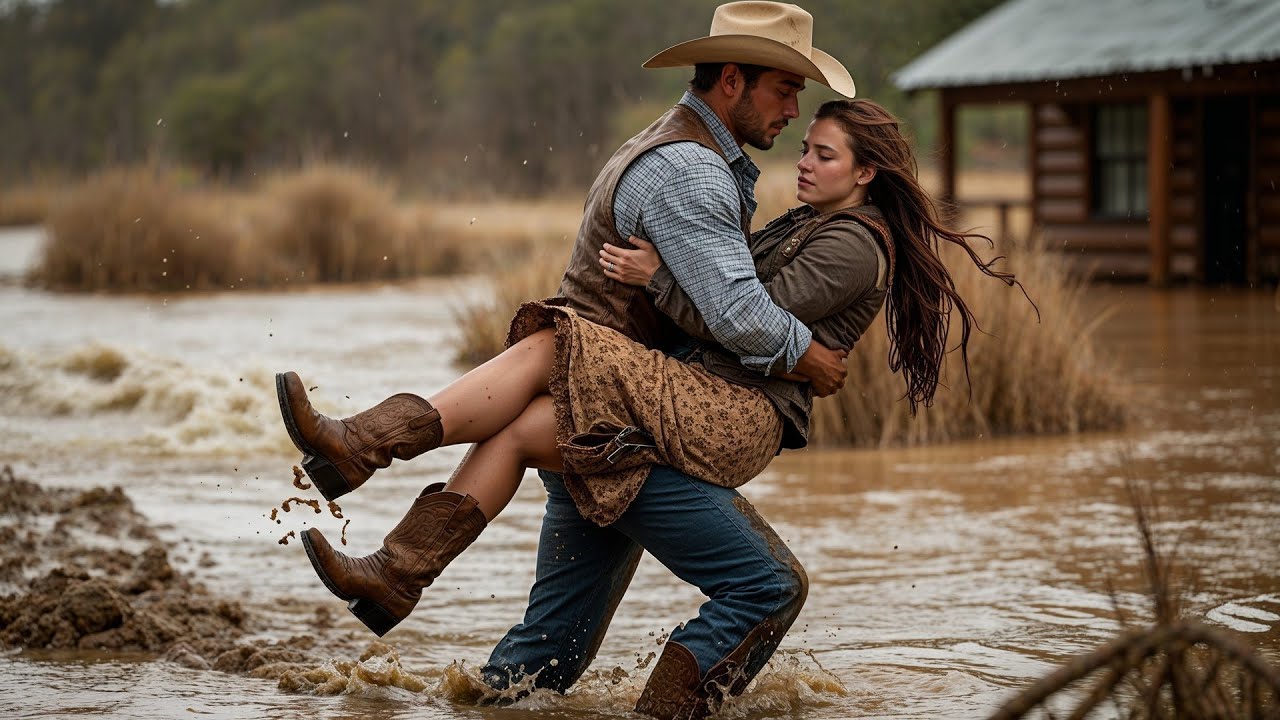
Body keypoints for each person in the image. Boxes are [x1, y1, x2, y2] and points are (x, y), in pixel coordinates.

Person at [276, 3, 1019, 717]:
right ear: (734, 80)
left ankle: (369, 471)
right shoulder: (700, 172)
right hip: (660, 401)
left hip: (699, 406)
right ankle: (403, 580)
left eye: (819, 144)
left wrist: (772, 342)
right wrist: (797, 355)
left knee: (552, 343)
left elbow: (741, 315)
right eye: (787, 91)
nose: (794, 116)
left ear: (864, 174)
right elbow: (738, 311)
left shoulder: (814, 221)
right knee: (545, 627)